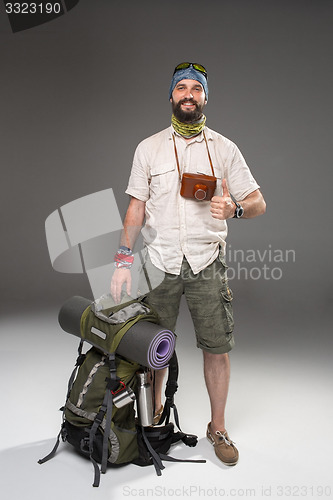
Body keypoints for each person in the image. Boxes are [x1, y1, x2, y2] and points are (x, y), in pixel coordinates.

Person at [111, 62, 266, 466]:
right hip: (159, 262)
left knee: (216, 349)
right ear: (171, 96)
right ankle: (154, 418)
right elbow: (135, 208)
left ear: (205, 98)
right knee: (152, 350)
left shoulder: (224, 149)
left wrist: (234, 208)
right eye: (181, 87)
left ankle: (217, 427)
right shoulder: (148, 148)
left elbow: (258, 203)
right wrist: (123, 260)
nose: (188, 94)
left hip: (206, 263)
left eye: (196, 88)